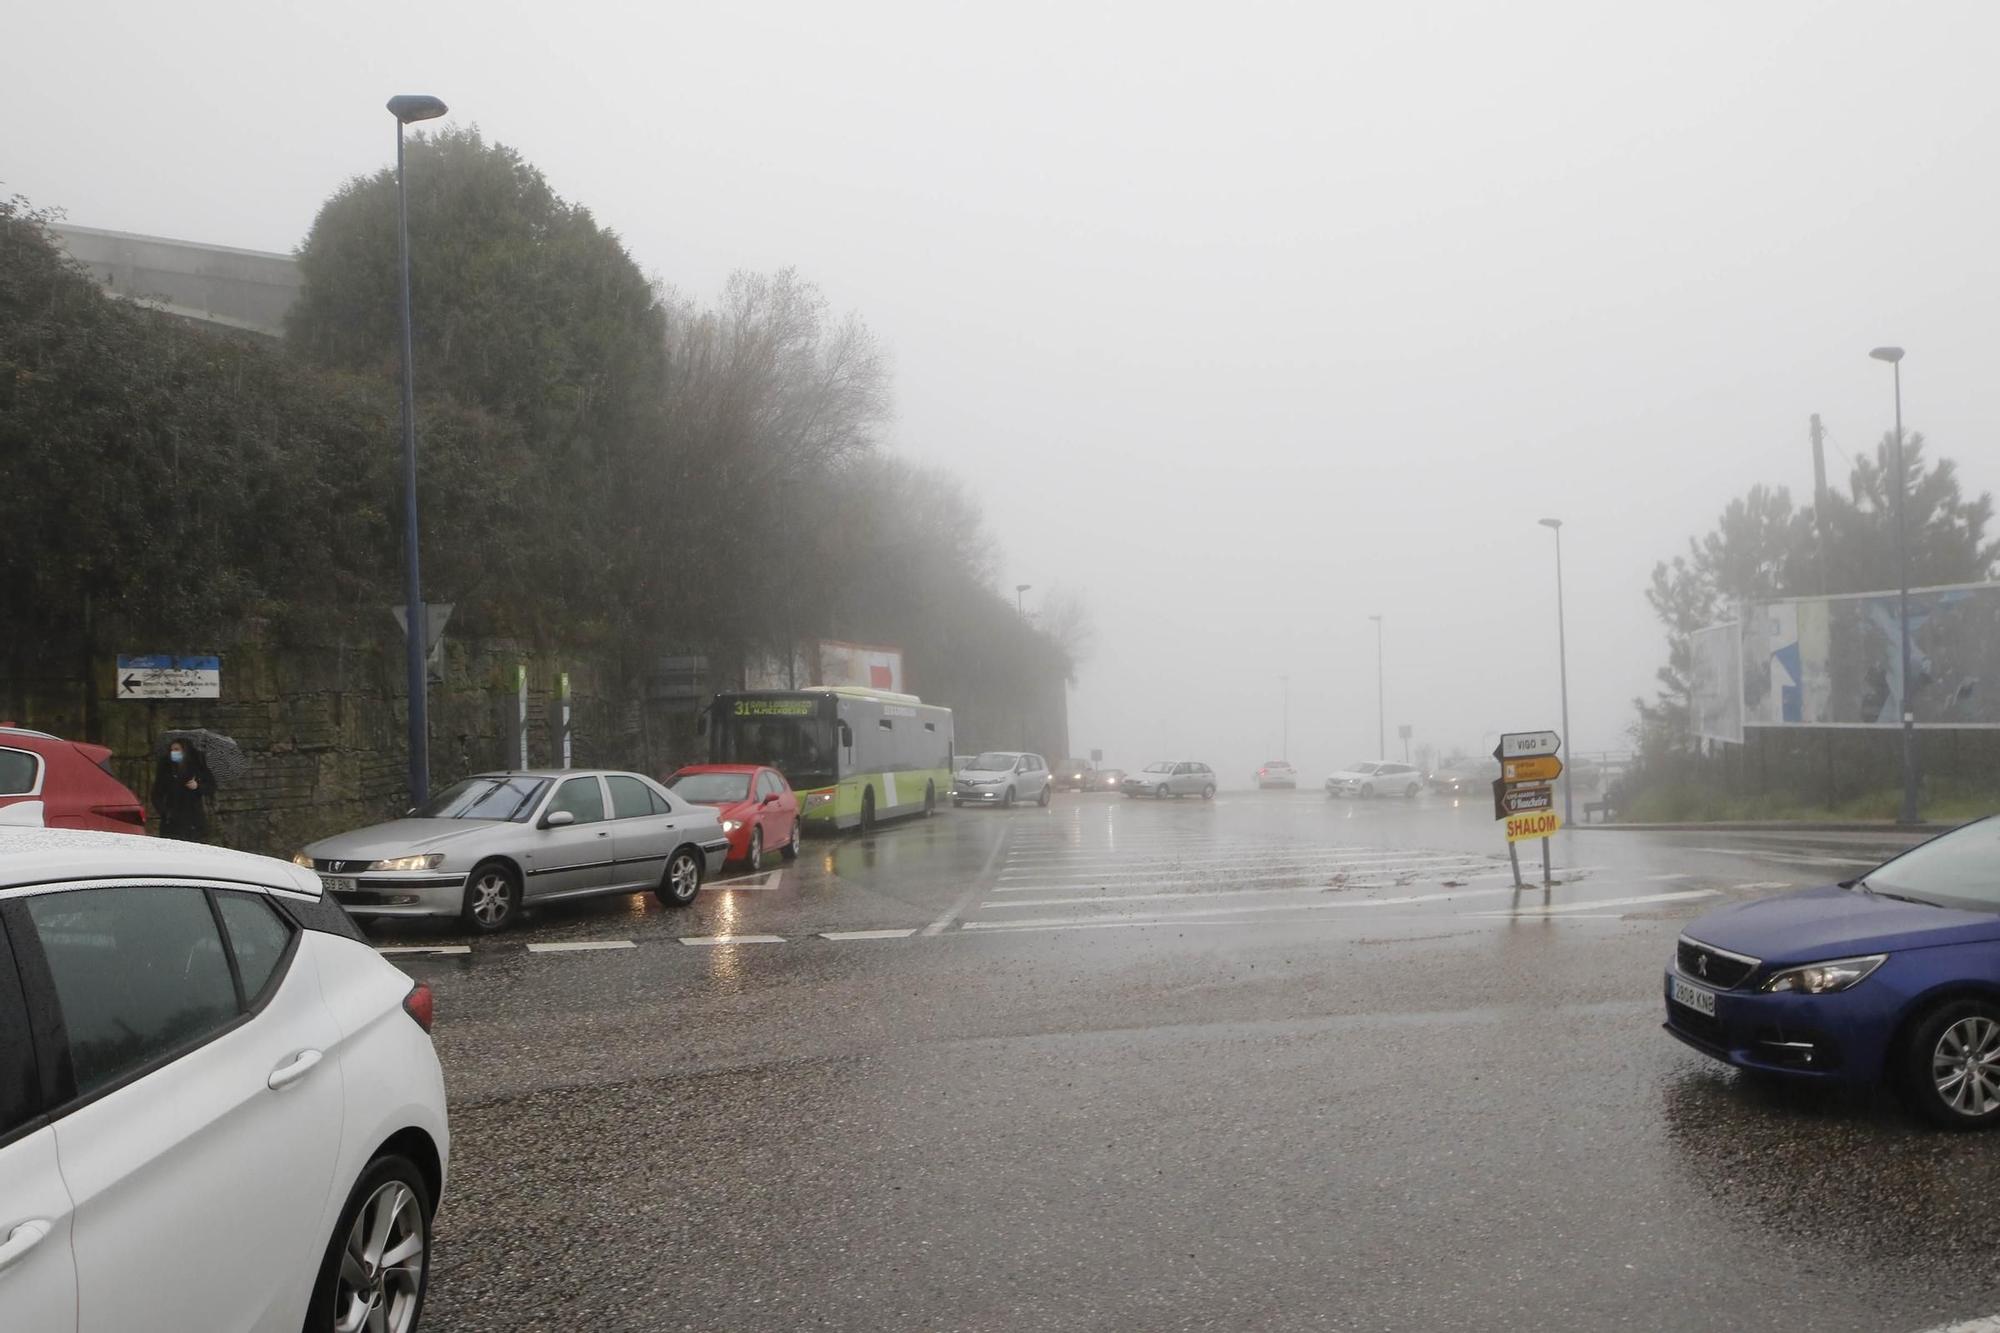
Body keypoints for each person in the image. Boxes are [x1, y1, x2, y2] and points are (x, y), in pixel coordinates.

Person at [153, 739, 216, 842]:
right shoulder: (166, 767)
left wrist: (197, 786)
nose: (174, 752)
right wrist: (165, 812)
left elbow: (211, 787)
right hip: (172, 818)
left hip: (193, 817)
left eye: (177, 749)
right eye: (172, 750)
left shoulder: (198, 766)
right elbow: (157, 793)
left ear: (185, 751)